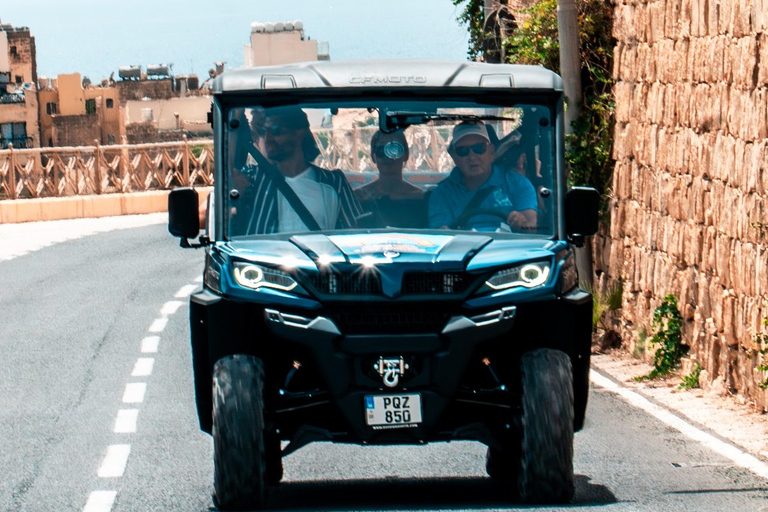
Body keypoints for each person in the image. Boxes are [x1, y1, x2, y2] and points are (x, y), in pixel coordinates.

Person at [230, 107, 363, 235]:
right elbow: (228, 180)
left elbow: (355, 233)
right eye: (265, 131)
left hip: (318, 258)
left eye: (276, 130)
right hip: (262, 258)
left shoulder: (334, 183)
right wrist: (235, 117)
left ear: (300, 132)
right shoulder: (254, 178)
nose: (268, 138)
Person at [428, 121, 538, 230]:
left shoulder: (518, 184)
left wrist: (521, 222)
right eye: (463, 151)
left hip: (510, 247)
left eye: (479, 148)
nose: (472, 156)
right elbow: (440, 233)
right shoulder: (442, 193)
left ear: (491, 151)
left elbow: (531, 228)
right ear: (454, 157)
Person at [355, 129, 423, 201]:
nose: (387, 157)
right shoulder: (359, 196)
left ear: (406, 155)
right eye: (381, 151)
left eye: (394, 150)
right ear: (373, 156)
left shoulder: (418, 197)